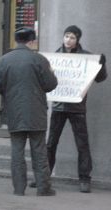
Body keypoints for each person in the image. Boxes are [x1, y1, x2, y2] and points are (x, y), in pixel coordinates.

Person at [0, 27, 57, 196]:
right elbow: (51, 84)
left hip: (14, 112)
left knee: (17, 151)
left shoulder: (4, 60)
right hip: (36, 112)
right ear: (32, 41)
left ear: (16, 40)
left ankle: (19, 189)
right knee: (39, 151)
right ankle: (44, 188)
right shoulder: (39, 60)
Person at [45, 25, 107, 193]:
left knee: (82, 145)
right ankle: (44, 177)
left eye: (72, 37)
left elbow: (100, 78)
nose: (68, 40)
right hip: (58, 106)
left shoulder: (87, 57)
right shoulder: (54, 57)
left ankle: (85, 179)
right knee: (51, 143)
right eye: (66, 36)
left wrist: (102, 64)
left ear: (77, 39)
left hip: (77, 107)